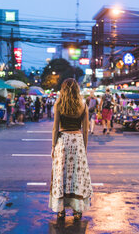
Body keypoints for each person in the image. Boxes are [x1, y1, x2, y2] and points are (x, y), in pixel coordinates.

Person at [49, 78, 93, 220]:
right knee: (76, 175)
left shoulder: (59, 104)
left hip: (63, 141)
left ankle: (61, 209)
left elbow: (55, 128)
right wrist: (84, 148)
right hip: (78, 141)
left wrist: (53, 146)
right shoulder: (83, 104)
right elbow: (85, 130)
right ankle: (77, 210)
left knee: (61, 174)